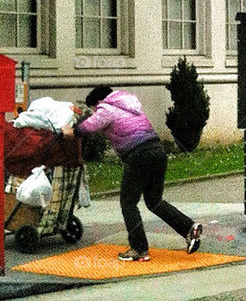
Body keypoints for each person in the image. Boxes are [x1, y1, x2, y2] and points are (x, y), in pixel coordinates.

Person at [61, 86, 202, 262]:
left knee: (128, 203)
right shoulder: (129, 106)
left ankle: (139, 249)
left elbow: (87, 128)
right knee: (155, 202)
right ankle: (189, 228)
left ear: (98, 102)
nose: (94, 112)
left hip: (138, 155)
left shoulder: (106, 108)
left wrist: (69, 131)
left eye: (93, 109)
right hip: (158, 152)